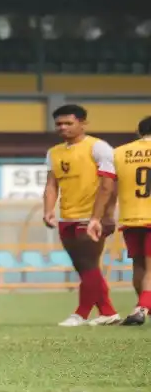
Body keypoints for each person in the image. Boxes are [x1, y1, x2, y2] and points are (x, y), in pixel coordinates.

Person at [42, 104, 121, 326]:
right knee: (84, 267)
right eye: (59, 124)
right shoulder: (54, 152)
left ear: (82, 123)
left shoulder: (99, 147)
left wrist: (100, 217)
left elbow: (108, 185)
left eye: (69, 123)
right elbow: (51, 185)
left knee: (87, 264)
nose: (63, 127)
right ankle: (108, 312)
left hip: (90, 217)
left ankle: (81, 313)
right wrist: (48, 210)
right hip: (66, 217)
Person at [88, 116, 151, 326]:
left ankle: (142, 306)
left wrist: (102, 217)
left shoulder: (119, 152)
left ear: (139, 132)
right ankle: (141, 308)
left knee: (139, 265)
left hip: (131, 218)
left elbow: (108, 189)